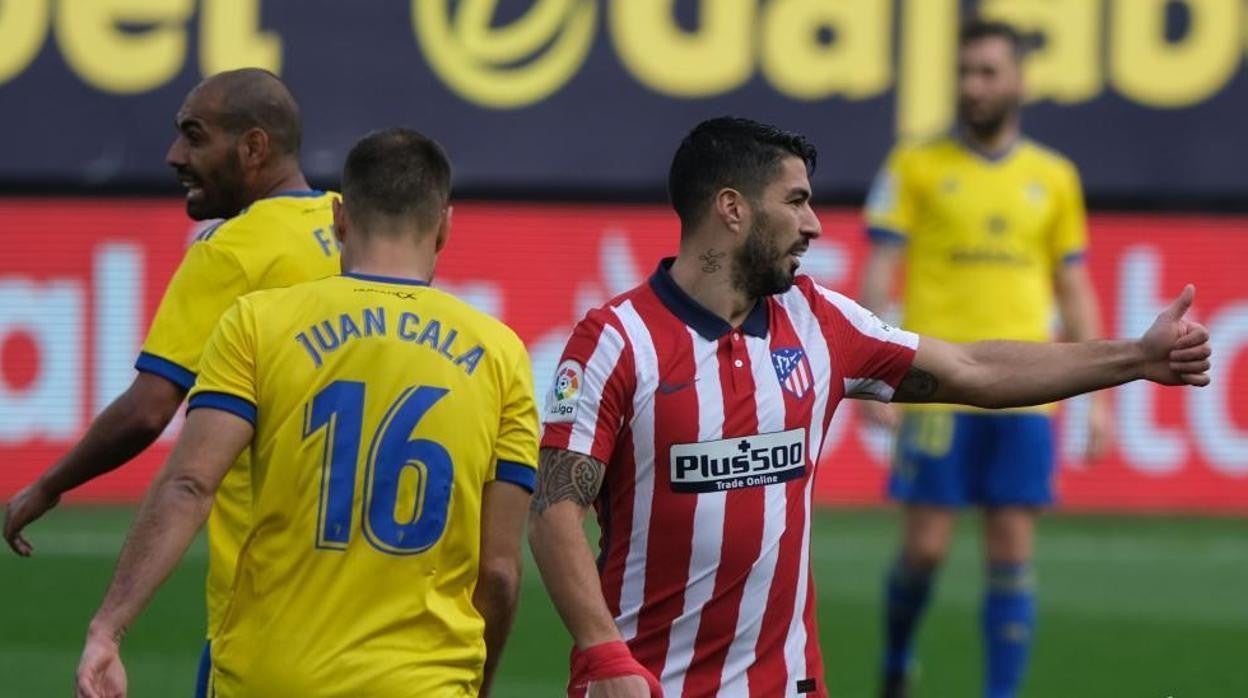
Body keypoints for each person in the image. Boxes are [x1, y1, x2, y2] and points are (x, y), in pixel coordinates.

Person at [526, 116, 1211, 698]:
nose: (814, 225)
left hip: (787, 682)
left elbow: (972, 366)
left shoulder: (820, 323)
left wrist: (1133, 359)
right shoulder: (617, 341)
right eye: (794, 202)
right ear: (732, 210)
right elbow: (555, 507)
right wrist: (602, 650)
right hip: (644, 684)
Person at [74, 128, 538, 698]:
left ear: (339, 218)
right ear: (445, 224)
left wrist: (108, 629)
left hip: (269, 678)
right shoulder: (502, 354)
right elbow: (498, 569)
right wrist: (478, 684)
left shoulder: (256, 323)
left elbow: (190, 485)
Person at [3, 68, 341, 692]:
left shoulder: (232, 250)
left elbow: (149, 409)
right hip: (369, 607)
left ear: (253, 147)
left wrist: (47, 487)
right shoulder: (350, 226)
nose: (174, 155)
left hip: (263, 612)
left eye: (194, 136)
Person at [860, 19, 1108, 698]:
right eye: (964, 73)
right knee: (926, 548)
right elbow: (879, 272)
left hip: (1027, 385)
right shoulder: (915, 163)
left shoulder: (1054, 177)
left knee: (1010, 552)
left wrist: (1100, 398)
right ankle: (895, 662)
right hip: (938, 381)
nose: (973, 86)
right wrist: (872, 371)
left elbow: (1074, 285)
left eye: (987, 72)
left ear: (1019, 81)